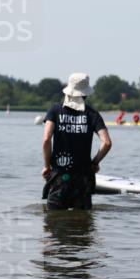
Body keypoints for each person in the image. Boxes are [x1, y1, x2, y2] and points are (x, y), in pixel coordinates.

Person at [41, 73, 111, 210]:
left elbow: (46, 139)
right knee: (83, 226)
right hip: (83, 179)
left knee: (54, 223)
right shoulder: (92, 114)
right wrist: (95, 162)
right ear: (85, 94)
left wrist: (46, 166)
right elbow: (107, 143)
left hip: (59, 177)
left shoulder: (55, 110)